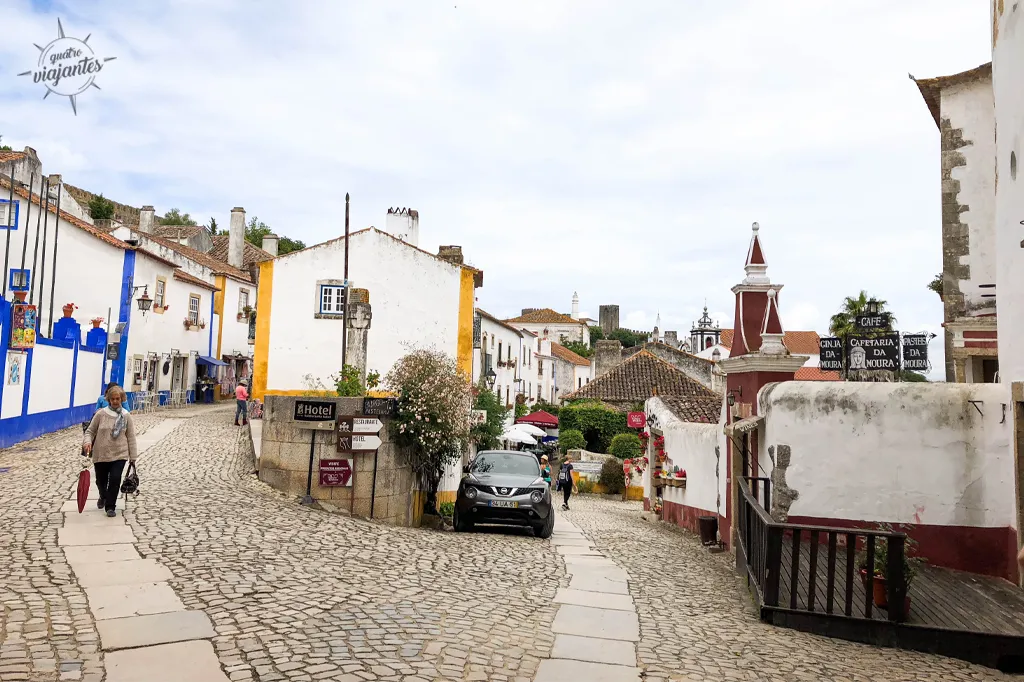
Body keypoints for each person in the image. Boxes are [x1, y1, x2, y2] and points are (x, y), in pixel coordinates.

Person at [83, 385, 138, 517]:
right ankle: (103, 495)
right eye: (112, 399)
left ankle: (110, 506)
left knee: (115, 479)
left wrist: (133, 456)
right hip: (101, 454)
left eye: (117, 399)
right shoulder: (100, 414)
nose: (115, 401)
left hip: (120, 454)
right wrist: (87, 442)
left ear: (122, 399)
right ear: (108, 399)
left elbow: (131, 436)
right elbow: (90, 431)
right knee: (101, 481)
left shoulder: (126, 416)